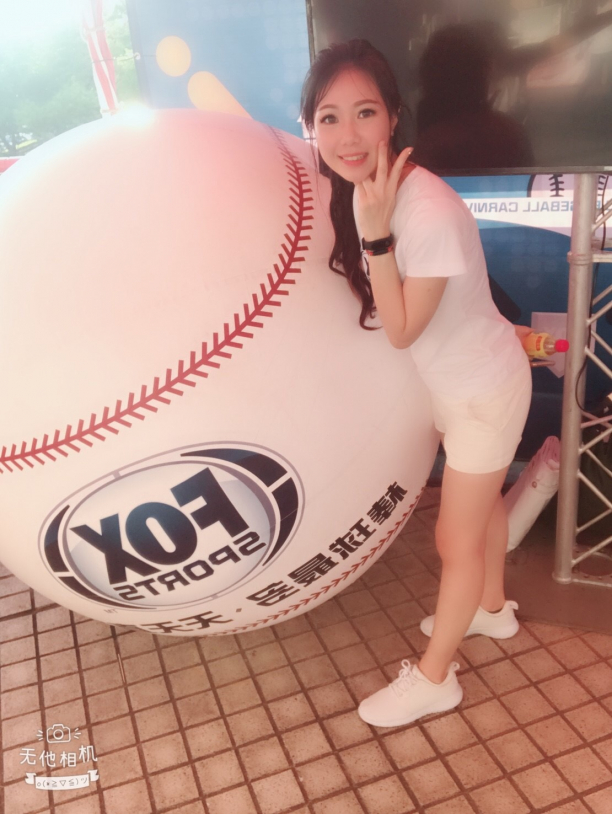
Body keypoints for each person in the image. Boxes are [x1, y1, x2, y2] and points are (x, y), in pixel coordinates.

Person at [300, 39, 532, 728]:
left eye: (364, 112)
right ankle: (490, 609)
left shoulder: (422, 209)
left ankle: (435, 678)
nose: (347, 135)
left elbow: (401, 329)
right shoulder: (371, 190)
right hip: (459, 386)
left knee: (453, 542)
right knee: (481, 506)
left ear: (394, 116)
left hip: (485, 392)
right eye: (329, 117)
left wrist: (375, 237)